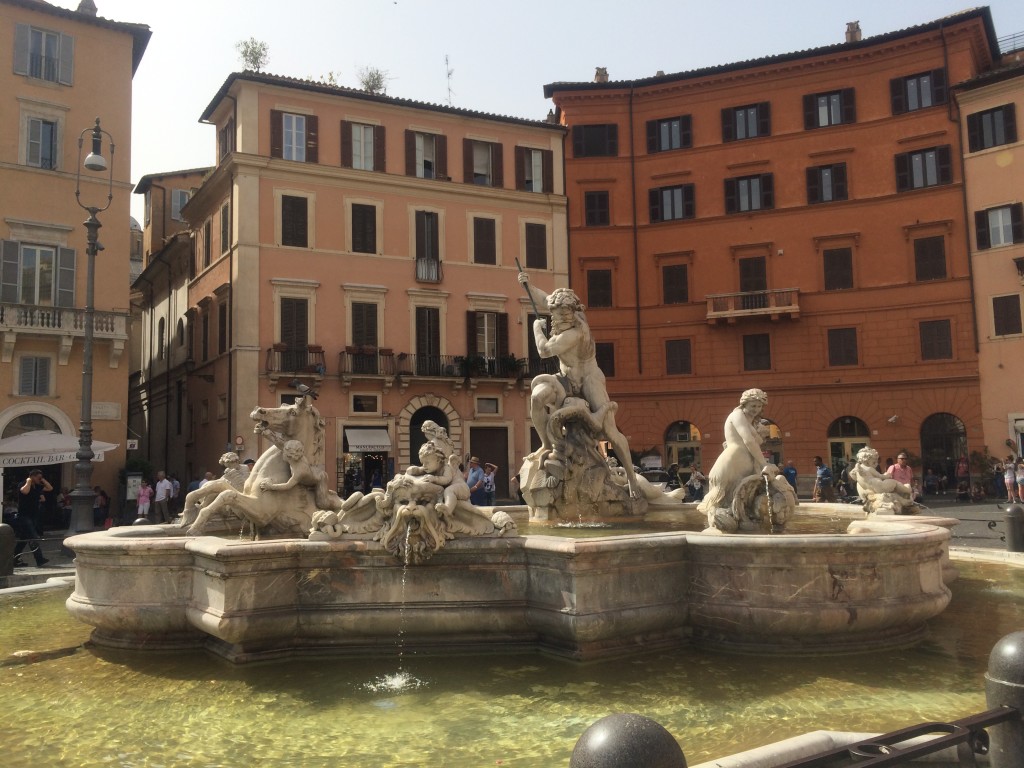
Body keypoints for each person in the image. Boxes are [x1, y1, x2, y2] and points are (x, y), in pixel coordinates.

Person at [518, 269, 640, 499]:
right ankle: (546, 443)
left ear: (574, 313)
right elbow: (545, 299)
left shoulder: (575, 332)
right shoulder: (560, 316)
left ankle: (632, 480)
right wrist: (528, 285)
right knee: (537, 397)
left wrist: (536, 328)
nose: (561, 318)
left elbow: (544, 351)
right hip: (566, 379)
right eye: (557, 313)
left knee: (610, 431)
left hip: (589, 379)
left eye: (565, 314)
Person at [698, 389, 770, 515]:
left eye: (759, 406)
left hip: (743, 464)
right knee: (721, 500)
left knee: (741, 501)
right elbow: (748, 441)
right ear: (744, 404)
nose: (756, 409)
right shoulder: (737, 415)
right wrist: (764, 464)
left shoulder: (750, 421)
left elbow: (756, 441)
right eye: (753, 405)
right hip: (732, 463)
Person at [13, 472, 50, 567]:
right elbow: (24, 491)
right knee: (33, 537)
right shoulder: (23, 484)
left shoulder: (37, 487)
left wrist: (43, 480)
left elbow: (50, 488)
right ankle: (39, 559)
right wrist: (29, 481)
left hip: (33, 516)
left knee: (23, 539)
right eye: (38, 477)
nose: (40, 479)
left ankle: (13, 559)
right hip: (24, 516)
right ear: (32, 477)